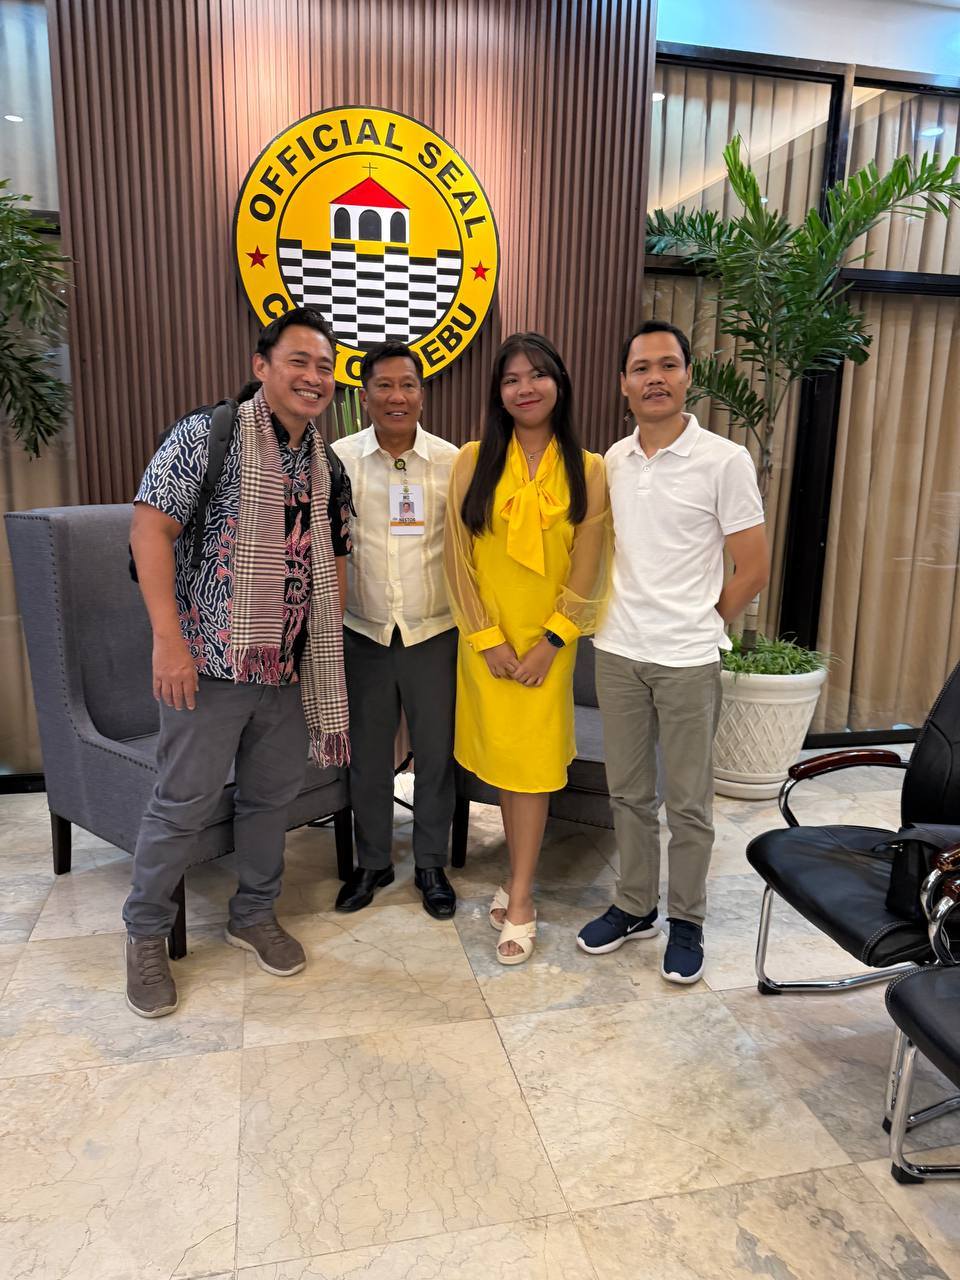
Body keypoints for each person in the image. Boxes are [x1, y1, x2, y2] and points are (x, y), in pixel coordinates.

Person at [123, 306, 352, 1017]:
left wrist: (321, 644)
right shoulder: (209, 434)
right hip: (208, 664)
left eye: (324, 367)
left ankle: (253, 914)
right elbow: (149, 531)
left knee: (269, 802)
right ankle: (145, 934)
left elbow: (336, 559)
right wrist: (168, 641)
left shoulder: (327, 465)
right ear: (262, 366)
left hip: (288, 673)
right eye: (298, 361)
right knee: (181, 805)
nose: (313, 377)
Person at [577, 320, 769, 984]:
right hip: (617, 651)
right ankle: (635, 906)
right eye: (641, 368)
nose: (654, 378)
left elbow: (753, 567)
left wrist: (701, 621)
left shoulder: (724, 460)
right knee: (629, 795)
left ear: (688, 376)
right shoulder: (612, 461)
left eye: (667, 365)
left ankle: (687, 919)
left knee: (687, 802)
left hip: (688, 658)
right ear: (623, 384)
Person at [445, 332, 610, 964]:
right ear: (498, 392)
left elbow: (588, 568)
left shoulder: (588, 470)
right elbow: (456, 559)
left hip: (548, 648)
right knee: (509, 769)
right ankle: (517, 877)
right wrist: (487, 639)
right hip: (486, 645)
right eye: (512, 378)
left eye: (538, 375)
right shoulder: (472, 461)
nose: (525, 388)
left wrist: (551, 642)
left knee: (534, 770)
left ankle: (520, 898)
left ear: (559, 384)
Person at [331, 342, 460, 918]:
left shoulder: (451, 462)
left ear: (422, 394)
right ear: (365, 396)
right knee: (367, 754)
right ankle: (373, 861)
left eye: (407, 385)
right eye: (383, 385)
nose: (396, 396)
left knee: (435, 754)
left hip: (434, 631)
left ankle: (430, 863)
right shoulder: (338, 459)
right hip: (364, 631)